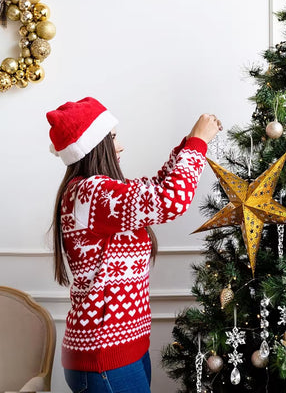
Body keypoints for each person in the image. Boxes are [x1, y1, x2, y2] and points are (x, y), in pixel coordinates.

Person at [47, 97, 222, 393]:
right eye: (113, 138)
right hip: (104, 356)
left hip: (123, 350)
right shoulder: (91, 193)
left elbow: (156, 189)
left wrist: (187, 144)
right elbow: (170, 200)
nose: (120, 146)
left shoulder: (97, 192)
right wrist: (197, 143)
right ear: (94, 145)